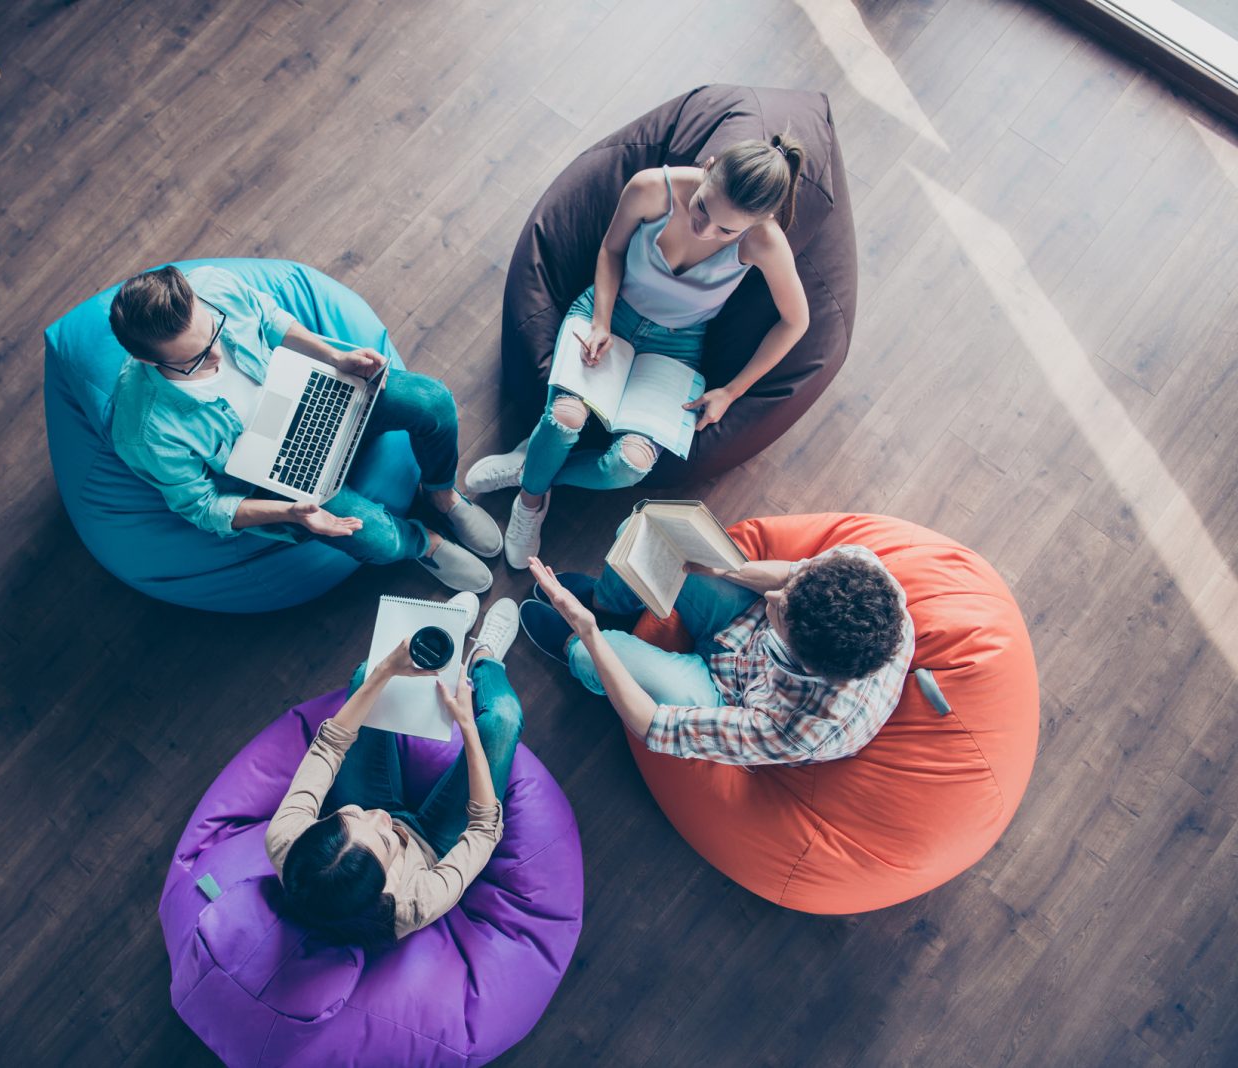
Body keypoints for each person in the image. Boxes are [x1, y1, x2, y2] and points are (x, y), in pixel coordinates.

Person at [467, 137, 813, 568]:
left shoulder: (765, 242)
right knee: (563, 419)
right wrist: (601, 323)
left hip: (678, 344)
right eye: (702, 207)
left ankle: (532, 466)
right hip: (609, 310)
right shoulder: (651, 188)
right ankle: (531, 500)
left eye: (727, 231)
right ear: (707, 168)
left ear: (759, 223)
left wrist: (732, 391)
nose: (704, 230)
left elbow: (796, 322)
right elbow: (611, 250)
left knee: (629, 466)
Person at [108, 264, 501, 593]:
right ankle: (424, 543)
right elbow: (205, 507)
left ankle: (441, 495)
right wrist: (291, 512)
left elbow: (269, 317)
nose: (216, 354)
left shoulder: (212, 284)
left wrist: (336, 356)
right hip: (273, 473)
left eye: (214, 331)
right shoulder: (145, 432)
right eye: (194, 360)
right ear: (145, 360)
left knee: (431, 401)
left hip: (308, 389)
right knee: (377, 542)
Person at [518, 535, 913, 766]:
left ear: (802, 659)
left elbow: (653, 726)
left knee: (594, 654)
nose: (772, 595)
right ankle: (607, 601)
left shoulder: (800, 730)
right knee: (646, 540)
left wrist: (588, 632)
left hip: (726, 695)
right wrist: (721, 570)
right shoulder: (867, 578)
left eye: (780, 609)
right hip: (741, 625)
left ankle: (576, 641)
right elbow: (792, 576)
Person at [265, 595, 523, 946]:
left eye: (350, 818)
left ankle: (438, 650)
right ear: (383, 886)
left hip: (368, 791)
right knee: (502, 720)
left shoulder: (286, 840)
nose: (379, 818)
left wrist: (386, 669)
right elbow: (483, 830)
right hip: (433, 842)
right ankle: (485, 659)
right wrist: (467, 726)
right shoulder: (411, 905)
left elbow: (329, 746)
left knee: (364, 675)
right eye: (384, 841)